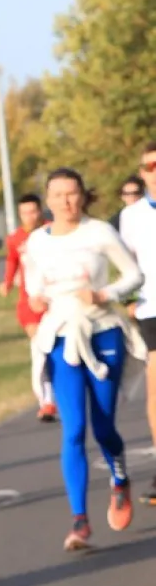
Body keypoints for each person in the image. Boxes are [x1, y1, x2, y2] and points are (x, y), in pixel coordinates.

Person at [26, 168, 145, 550]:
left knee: (104, 426)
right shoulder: (37, 241)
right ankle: (80, 520)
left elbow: (134, 276)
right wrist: (35, 300)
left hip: (102, 330)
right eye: (58, 194)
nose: (66, 201)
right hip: (63, 335)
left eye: (72, 193)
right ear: (48, 200)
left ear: (83, 196)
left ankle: (120, 480)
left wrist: (104, 294)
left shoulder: (99, 232)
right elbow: (33, 287)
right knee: (74, 428)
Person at [0, 194, 57, 421]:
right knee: (39, 348)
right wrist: (7, 282)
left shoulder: (53, 231)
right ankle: (46, 401)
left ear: (40, 211)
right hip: (28, 303)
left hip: (54, 300)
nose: (29, 217)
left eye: (33, 211)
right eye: (24, 213)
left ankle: (63, 392)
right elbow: (12, 260)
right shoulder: (15, 239)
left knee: (57, 349)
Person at [120, 143, 156, 505]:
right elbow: (124, 263)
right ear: (143, 172)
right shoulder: (131, 216)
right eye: (150, 167)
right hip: (151, 309)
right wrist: (127, 298)